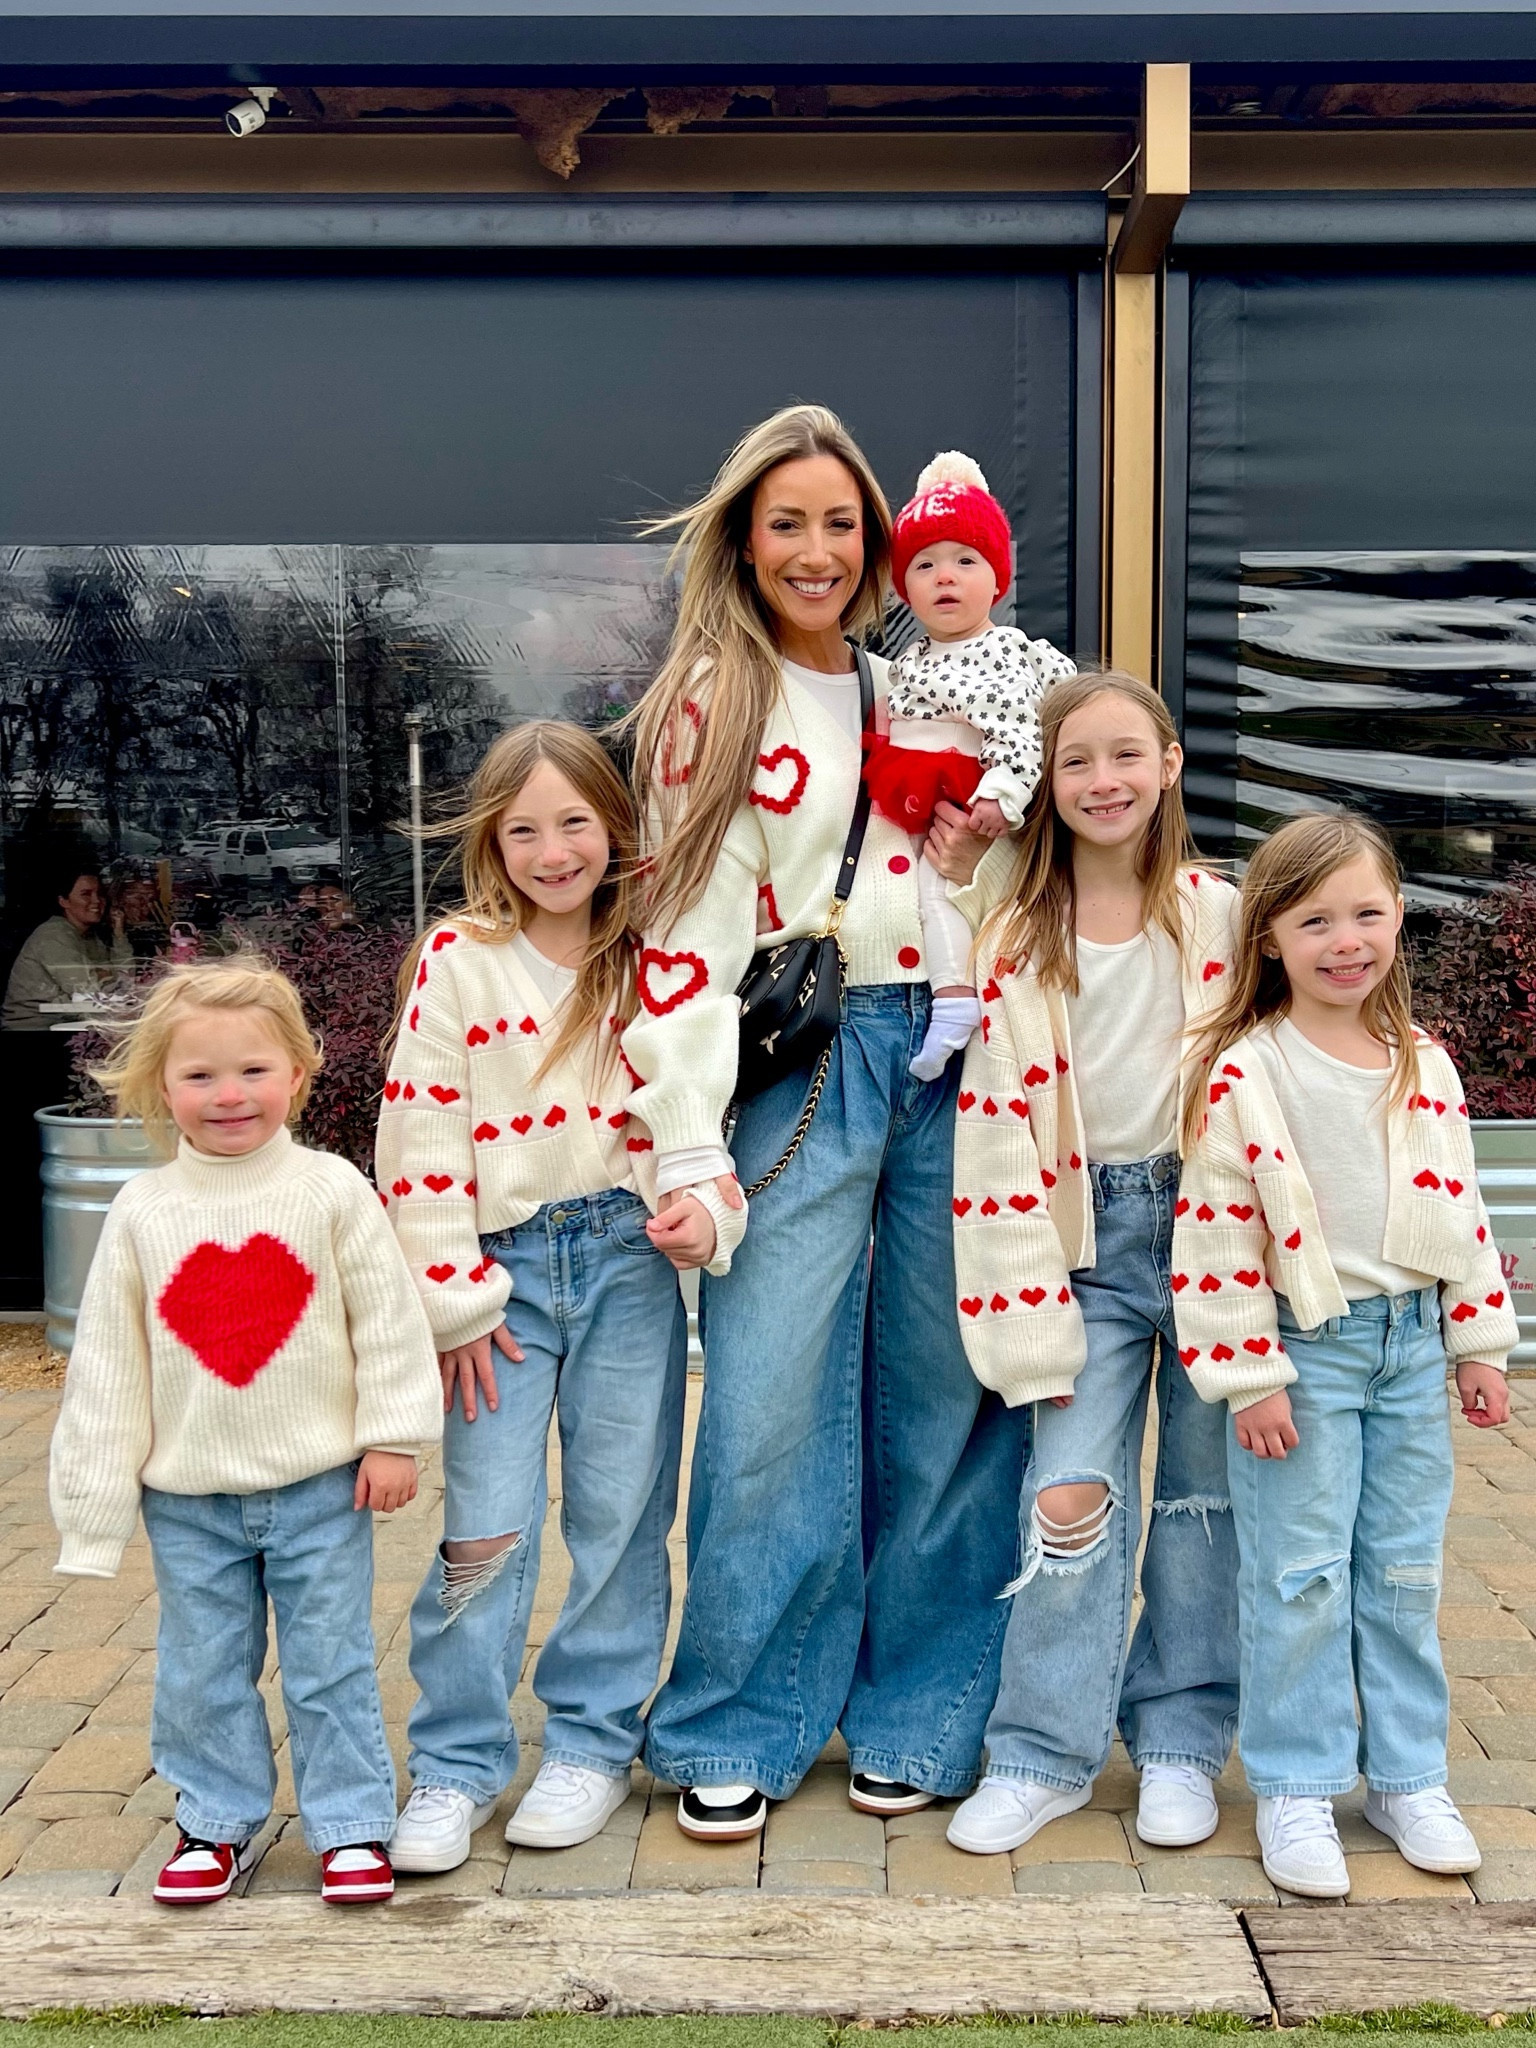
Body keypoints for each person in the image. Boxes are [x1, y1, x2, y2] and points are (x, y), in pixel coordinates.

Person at [623, 402, 1030, 1842]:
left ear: (882, 543)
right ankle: (741, 1712)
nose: (816, 548)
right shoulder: (709, 701)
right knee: (768, 1392)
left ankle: (921, 1709)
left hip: (958, 1048)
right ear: (744, 537)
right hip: (810, 1047)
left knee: (950, 1391)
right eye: (786, 521)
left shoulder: (919, 682)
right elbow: (681, 928)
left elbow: (1002, 875)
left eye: (842, 522)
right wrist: (684, 1138)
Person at [380, 720, 744, 1876]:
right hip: (500, 1281)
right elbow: (420, 1131)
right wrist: (453, 1297)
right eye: (524, 829)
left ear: (614, 828)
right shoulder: (459, 959)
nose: (552, 851)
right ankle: (456, 1760)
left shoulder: (656, 960)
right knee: (485, 1524)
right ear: (493, 841)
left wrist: (707, 1214)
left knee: (621, 1514)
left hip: (628, 1261)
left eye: (575, 822)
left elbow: (698, 1114)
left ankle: (591, 1742)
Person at [47, 957, 441, 1906]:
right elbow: (109, 1367)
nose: (229, 1095)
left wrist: (394, 1436)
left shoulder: (330, 1191)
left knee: (330, 1664)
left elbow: (386, 1320)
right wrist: (94, 1515)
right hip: (189, 1503)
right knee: (202, 1670)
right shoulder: (143, 1211)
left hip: (320, 1489)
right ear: (160, 1087)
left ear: (297, 1075)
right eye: (200, 1075)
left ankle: (350, 1824)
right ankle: (213, 1822)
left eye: (253, 1070)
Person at [1173, 811, 1514, 1898]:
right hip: (1305, 1356)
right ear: (1269, 937)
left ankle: (1408, 1775)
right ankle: (1297, 1784)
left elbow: (1462, 1214)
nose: (1345, 940)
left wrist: (1479, 1341)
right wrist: (1250, 1375)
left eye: (1366, 913)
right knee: (1299, 1576)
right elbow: (1217, 1235)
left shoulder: (1425, 1065)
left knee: (1404, 1570)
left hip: (1411, 1351)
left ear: (1399, 917)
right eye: (1314, 920)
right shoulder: (1246, 1072)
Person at [940, 670, 1242, 1859]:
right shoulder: (1017, 936)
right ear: (1048, 782)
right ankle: (1041, 1752)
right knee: (1068, 1495)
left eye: (1126, 755)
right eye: (1076, 761)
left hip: (1214, 1230)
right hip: (1085, 1240)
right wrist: (1025, 1321)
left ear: (1169, 764)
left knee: (1204, 1502)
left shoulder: (1222, 916)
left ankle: (1179, 1741)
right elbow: (994, 1129)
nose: (1103, 780)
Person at [864, 452, 1075, 1082]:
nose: (944, 577)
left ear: (997, 579)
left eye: (965, 561)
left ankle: (955, 1000)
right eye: (924, 565)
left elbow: (1018, 730)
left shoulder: (1000, 652)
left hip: (966, 797)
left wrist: (1000, 793)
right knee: (918, 893)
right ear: (905, 588)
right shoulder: (910, 658)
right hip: (916, 793)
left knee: (938, 892)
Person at [2, 865, 132, 1031]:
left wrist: (119, 934)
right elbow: (90, 994)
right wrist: (104, 977)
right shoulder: (53, 935)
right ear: (63, 901)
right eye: (86, 894)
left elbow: (124, 982)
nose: (97, 901)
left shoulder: (90, 937)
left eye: (100, 894)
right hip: (34, 1028)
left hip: (69, 1023)